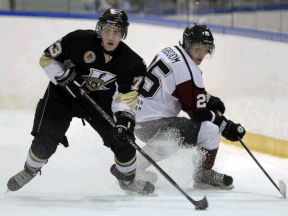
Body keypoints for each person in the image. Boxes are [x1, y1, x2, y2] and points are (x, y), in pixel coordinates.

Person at [7, 8, 155, 196]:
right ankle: (29, 170)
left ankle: (127, 181)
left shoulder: (133, 63)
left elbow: (125, 97)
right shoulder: (77, 40)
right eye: (107, 30)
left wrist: (124, 120)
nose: (111, 36)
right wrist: (63, 75)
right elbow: (47, 57)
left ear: (123, 34)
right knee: (45, 141)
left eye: (116, 32)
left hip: (99, 103)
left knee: (125, 142)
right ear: (100, 29)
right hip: (63, 96)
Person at [133, 23, 246, 190]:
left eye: (205, 49)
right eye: (197, 48)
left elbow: (177, 88)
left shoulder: (169, 51)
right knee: (210, 129)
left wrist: (206, 97)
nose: (201, 54)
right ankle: (203, 174)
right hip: (155, 124)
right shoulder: (189, 70)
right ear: (187, 44)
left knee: (171, 138)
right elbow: (197, 114)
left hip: (138, 121)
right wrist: (224, 124)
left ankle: (132, 168)